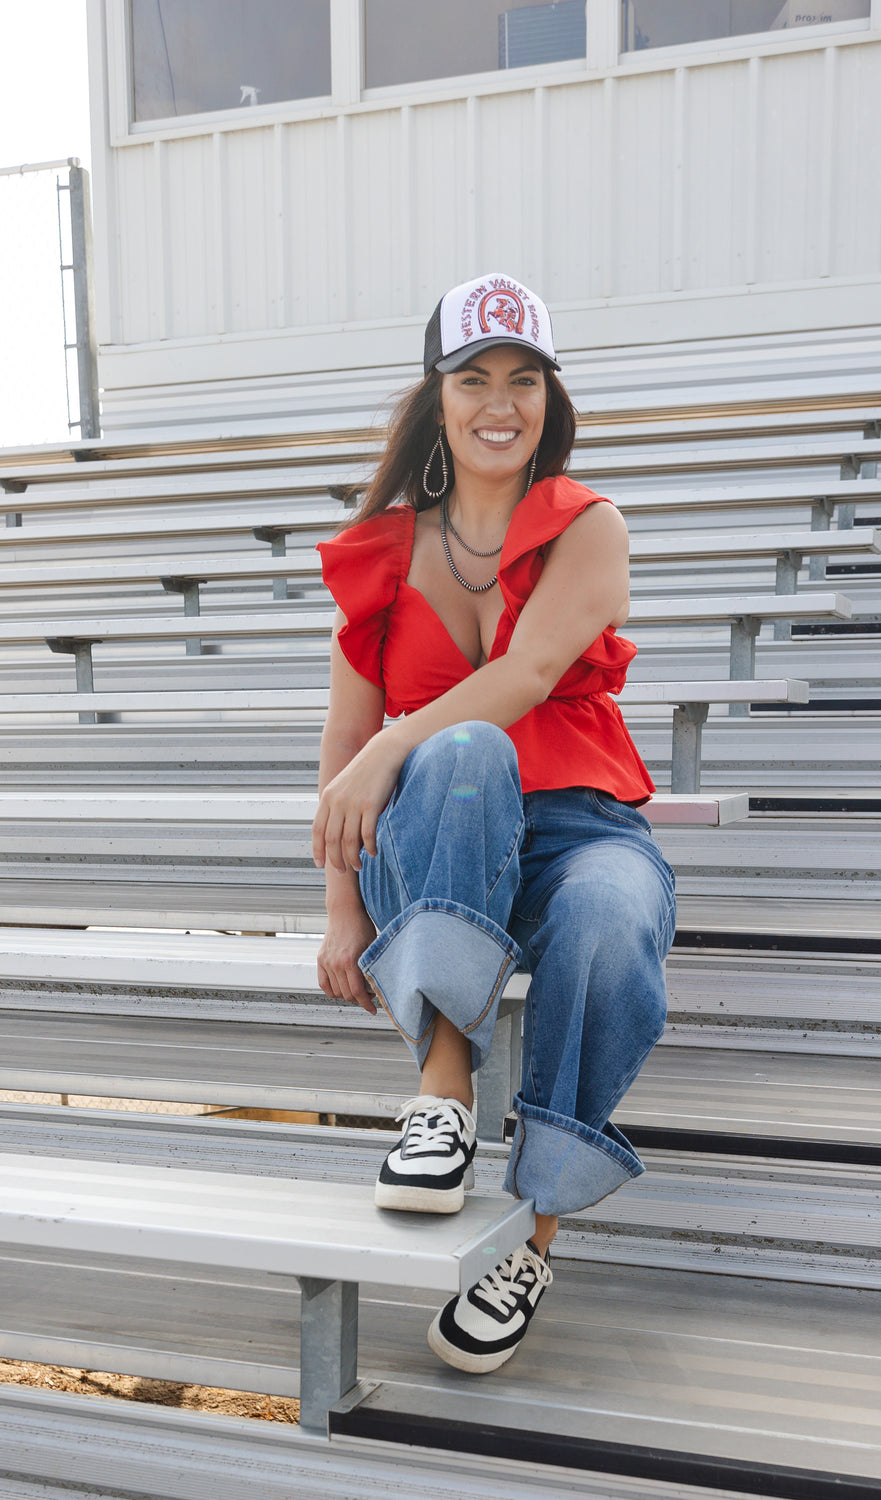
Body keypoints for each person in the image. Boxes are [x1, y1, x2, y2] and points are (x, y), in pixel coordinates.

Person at [312, 272, 676, 1375]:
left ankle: (530, 1240)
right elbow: (344, 758)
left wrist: (392, 741)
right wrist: (339, 912)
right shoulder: (381, 550)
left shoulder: (586, 526)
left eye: (524, 379)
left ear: (548, 401)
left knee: (613, 916)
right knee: (460, 755)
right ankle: (442, 1096)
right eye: (474, 378)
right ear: (437, 397)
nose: (499, 402)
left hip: (577, 827)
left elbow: (527, 673)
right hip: (433, 839)